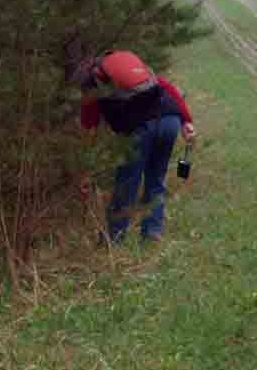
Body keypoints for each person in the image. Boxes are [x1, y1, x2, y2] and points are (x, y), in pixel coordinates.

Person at [80, 49, 194, 243]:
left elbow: (89, 126)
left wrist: (84, 166)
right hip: (170, 120)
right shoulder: (136, 71)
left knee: (127, 183)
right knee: (156, 178)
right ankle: (152, 232)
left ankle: (114, 236)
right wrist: (187, 121)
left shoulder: (94, 84)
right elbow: (167, 87)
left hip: (139, 129)